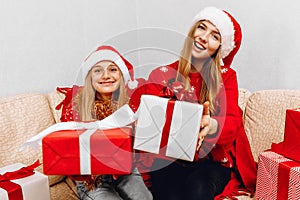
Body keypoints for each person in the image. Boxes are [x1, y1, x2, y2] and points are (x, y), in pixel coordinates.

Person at [130, 6, 257, 200]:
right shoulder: (160, 75)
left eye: (215, 36)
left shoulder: (226, 77)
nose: (204, 37)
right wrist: (142, 123)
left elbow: (232, 121)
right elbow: (147, 125)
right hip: (168, 160)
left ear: (220, 48)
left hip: (211, 163)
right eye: (201, 28)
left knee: (198, 188)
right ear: (192, 32)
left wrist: (212, 124)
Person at [56, 45, 152, 200]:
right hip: (92, 179)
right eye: (98, 70)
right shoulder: (75, 107)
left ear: (121, 75)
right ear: (90, 77)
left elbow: (139, 145)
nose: (106, 75)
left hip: (125, 171)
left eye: (113, 70)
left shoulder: (130, 105)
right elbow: (68, 150)